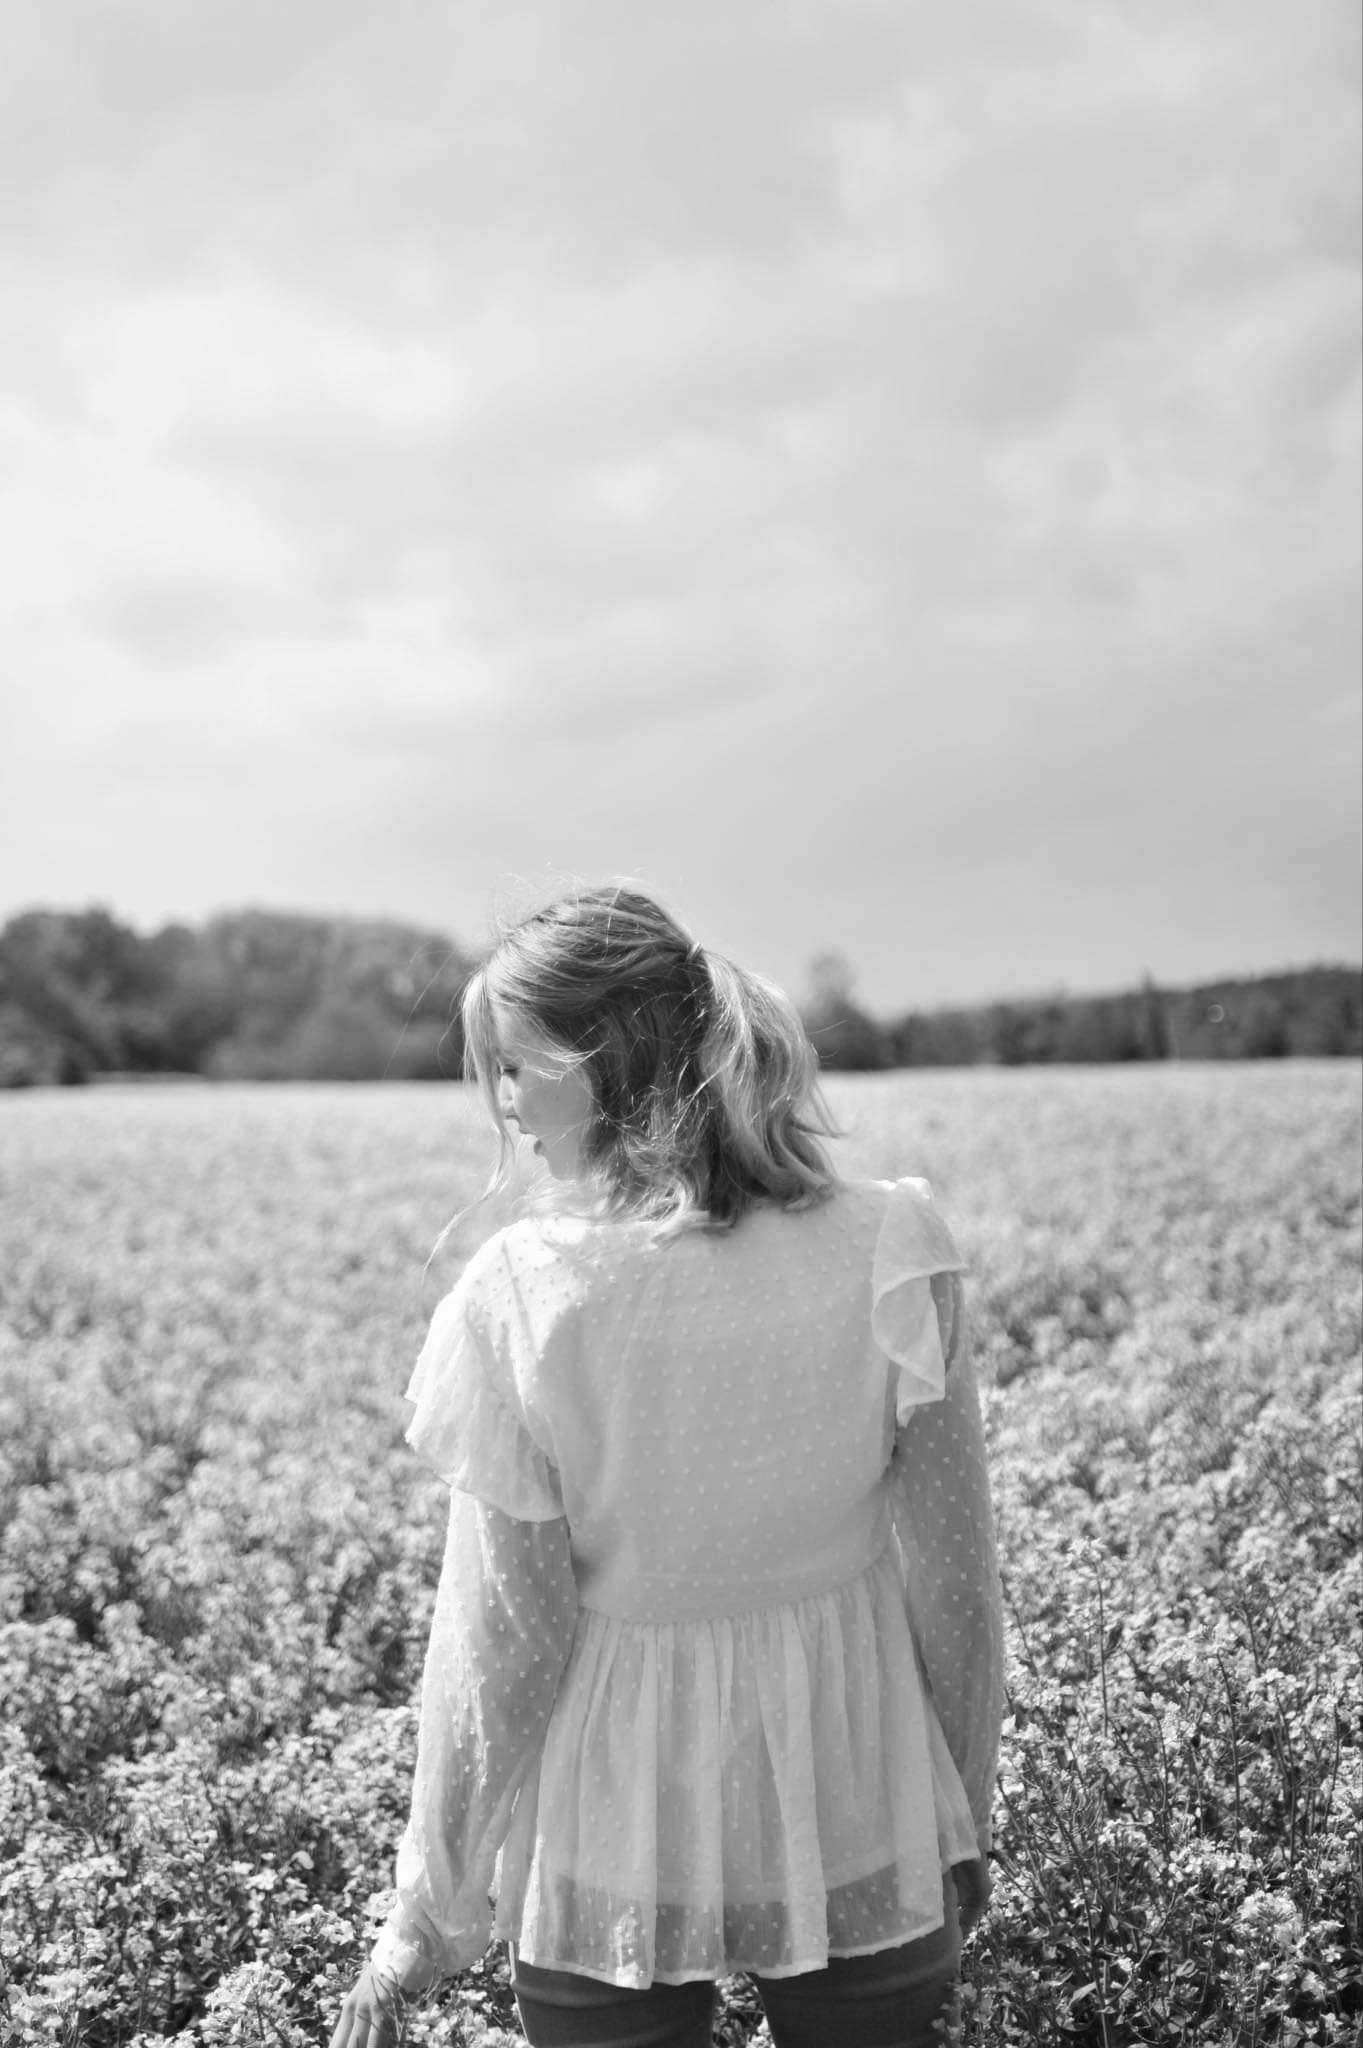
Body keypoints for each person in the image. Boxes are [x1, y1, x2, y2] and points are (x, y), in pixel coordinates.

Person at [330, 885, 1004, 2048]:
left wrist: (424, 1917)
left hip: (612, 1825)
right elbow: (954, 1584)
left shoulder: (525, 1291)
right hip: (858, 1791)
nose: (503, 1103)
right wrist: (955, 1812)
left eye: (513, 1065)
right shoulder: (889, 1244)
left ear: (598, 1061)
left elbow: (507, 1643)